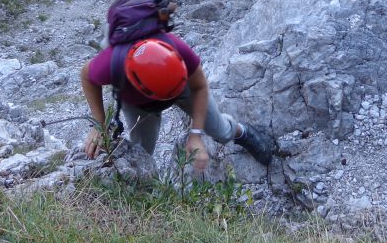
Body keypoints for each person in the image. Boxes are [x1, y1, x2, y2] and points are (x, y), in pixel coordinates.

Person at [80, 32, 273, 172]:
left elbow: (200, 87)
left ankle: (242, 132)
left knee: (219, 130)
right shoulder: (111, 64)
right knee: (141, 153)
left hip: (184, 88)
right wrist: (99, 124)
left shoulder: (179, 49)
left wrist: (196, 134)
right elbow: (86, 75)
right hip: (139, 104)